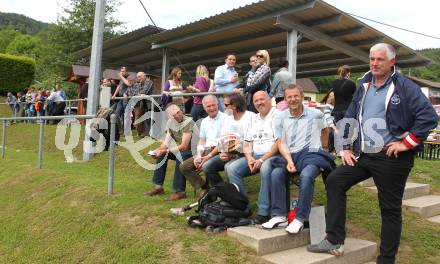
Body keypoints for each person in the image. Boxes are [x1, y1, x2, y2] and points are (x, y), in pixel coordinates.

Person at [307, 43, 438, 263]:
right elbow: (349, 117)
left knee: (389, 209)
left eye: (380, 59)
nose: (375, 63)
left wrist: (406, 143)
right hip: (365, 155)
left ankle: (386, 259)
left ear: (392, 62)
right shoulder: (364, 85)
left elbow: (428, 116)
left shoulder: (404, 86)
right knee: (335, 180)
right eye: (372, 59)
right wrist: (345, 147)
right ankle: (334, 238)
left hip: (392, 158)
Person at [262, 84, 335, 230]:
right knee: (276, 174)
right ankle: (279, 216)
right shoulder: (280, 118)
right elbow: (281, 142)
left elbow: (325, 130)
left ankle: (300, 217)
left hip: (311, 154)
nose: (293, 99)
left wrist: (324, 148)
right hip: (291, 155)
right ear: (285, 99)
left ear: (302, 97)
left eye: (296, 96)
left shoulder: (316, 114)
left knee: (307, 175)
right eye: (289, 97)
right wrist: (289, 161)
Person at [226, 91, 280, 224]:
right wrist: (249, 158)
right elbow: (247, 143)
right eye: (256, 101)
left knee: (265, 168)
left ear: (269, 100)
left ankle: (263, 212)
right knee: (232, 168)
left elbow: (280, 143)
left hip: (274, 155)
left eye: (262, 99)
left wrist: (261, 160)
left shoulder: (278, 115)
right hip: (255, 155)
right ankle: (243, 207)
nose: (259, 103)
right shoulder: (254, 118)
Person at [201, 94, 255, 187]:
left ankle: (237, 198)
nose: (224, 108)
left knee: (228, 167)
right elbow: (223, 142)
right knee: (207, 166)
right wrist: (220, 153)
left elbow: (251, 144)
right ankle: (224, 192)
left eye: (226, 105)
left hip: (250, 153)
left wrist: (232, 154)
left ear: (234, 106)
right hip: (234, 153)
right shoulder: (228, 119)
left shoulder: (251, 117)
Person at [144, 104, 194, 201]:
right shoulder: (170, 123)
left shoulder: (188, 122)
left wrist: (164, 150)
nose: (178, 115)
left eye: (178, 112)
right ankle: (158, 187)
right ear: (169, 117)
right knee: (162, 155)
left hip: (194, 152)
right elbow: (166, 143)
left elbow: (184, 147)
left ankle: (180, 191)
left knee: (180, 155)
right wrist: (158, 150)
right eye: (174, 115)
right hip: (182, 151)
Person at [180, 95, 227, 198]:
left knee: (206, 165)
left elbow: (224, 142)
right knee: (184, 167)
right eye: (208, 106)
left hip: (220, 150)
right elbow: (202, 141)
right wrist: (199, 155)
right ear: (204, 108)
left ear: (217, 104)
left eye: (213, 105)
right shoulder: (204, 122)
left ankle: (221, 190)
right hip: (206, 151)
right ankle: (205, 187)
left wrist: (208, 156)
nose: (211, 108)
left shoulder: (225, 118)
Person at [124, 72, 155, 138]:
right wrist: (125, 94)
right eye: (128, 80)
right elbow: (127, 93)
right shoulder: (131, 87)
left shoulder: (141, 83)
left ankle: (144, 134)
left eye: (131, 80)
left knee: (143, 120)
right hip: (138, 105)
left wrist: (134, 95)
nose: (130, 81)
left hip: (145, 104)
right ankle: (142, 134)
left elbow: (143, 92)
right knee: (141, 120)